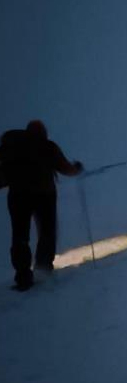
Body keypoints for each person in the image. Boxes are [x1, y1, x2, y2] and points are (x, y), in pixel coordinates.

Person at [0, 121, 83, 291]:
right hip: (44, 195)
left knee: (20, 236)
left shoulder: (11, 148)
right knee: (47, 232)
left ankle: (23, 276)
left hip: (18, 196)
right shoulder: (47, 147)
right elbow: (64, 168)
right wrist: (76, 169)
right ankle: (43, 269)